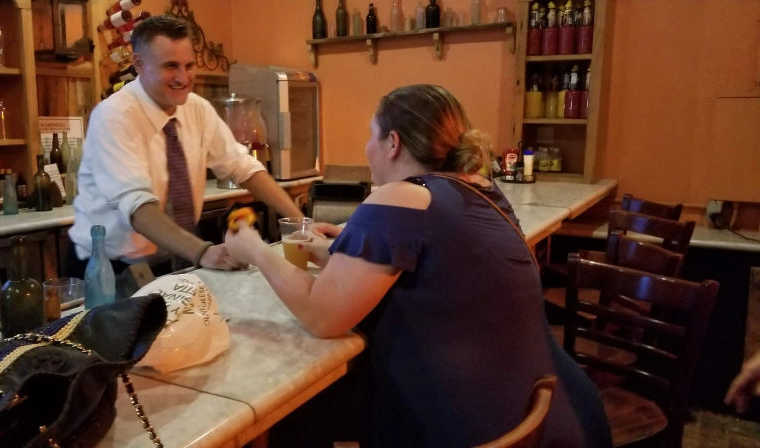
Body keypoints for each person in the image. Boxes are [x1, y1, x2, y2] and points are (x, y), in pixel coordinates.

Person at [225, 84, 611, 446]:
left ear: (393, 142)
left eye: (370, 135)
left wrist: (256, 249)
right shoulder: (480, 188)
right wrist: (327, 250)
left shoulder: (399, 197)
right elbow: (421, 266)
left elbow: (322, 316)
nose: (366, 147)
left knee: (295, 414)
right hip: (551, 415)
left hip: (466, 430)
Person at [68, 15, 302, 289]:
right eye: (171, 66)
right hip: (108, 268)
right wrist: (203, 251)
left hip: (175, 257)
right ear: (139, 64)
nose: (183, 77)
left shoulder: (197, 109)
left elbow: (243, 167)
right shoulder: (114, 116)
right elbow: (137, 207)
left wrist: (300, 224)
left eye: (189, 65)